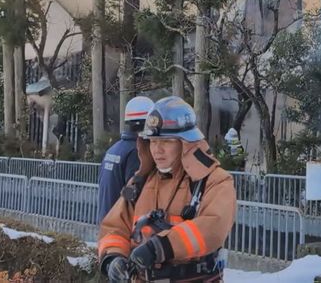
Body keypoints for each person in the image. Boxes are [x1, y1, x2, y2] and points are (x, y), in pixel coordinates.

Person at [98, 97, 236, 283]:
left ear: (186, 143)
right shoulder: (140, 181)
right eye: (153, 141)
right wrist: (113, 258)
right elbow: (114, 226)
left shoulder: (214, 181)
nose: (157, 150)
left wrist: (161, 247)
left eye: (166, 141)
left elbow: (213, 228)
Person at [97, 96, 155, 223]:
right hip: (122, 226)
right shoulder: (136, 152)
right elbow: (132, 192)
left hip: (107, 222)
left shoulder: (114, 149)